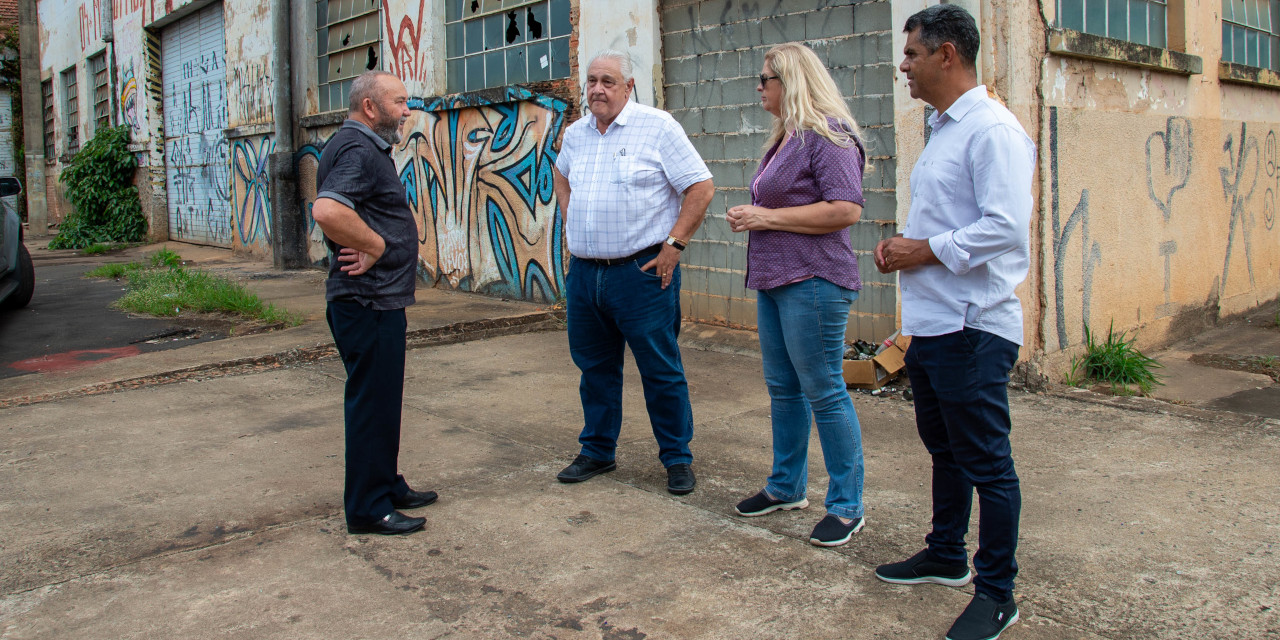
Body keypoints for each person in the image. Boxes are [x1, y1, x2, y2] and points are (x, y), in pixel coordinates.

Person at [871, 6, 1035, 640]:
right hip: (933, 323)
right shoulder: (943, 128)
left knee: (988, 464)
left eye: (911, 54)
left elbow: (1003, 227)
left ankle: (997, 592)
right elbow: (949, 217)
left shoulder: (992, 129)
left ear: (946, 55)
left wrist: (924, 248)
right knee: (945, 450)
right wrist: (907, 247)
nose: (902, 65)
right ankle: (945, 554)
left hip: (975, 324)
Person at [725, 43, 868, 548]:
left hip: (813, 281)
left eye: (767, 78)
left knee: (824, 389)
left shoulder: (828, 134)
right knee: (783, 389)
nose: (760, 87)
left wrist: (765, 216)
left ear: (792, 81)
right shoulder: (787, 138)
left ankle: (847, 505)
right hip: (775, 280)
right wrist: (755, 215)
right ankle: (786, 486)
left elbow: (846, 209)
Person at [552, 50, 715, 495]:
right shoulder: (576, 134)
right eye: (591, 81)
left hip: (641, 274)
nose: (597, 89)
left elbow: (700, 186)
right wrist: (571, 217)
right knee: (594, 369)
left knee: (660, 370)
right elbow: (560, 174)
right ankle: (598, 451)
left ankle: (677, 458)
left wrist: (674, 244)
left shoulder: (658, 127)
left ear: (629, 87)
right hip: (586, 275)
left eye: (608, 81)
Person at [311, 70, 438, 536]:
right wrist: (379, 245)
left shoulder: (361, 146)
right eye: (400, 102)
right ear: (370, 107)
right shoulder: (358, 149)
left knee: (383, 400)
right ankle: (368, 507)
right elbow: (327, 210)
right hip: (366, 302)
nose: (407, 110)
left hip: (377, 301)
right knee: (371, 403)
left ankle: (385, 483)